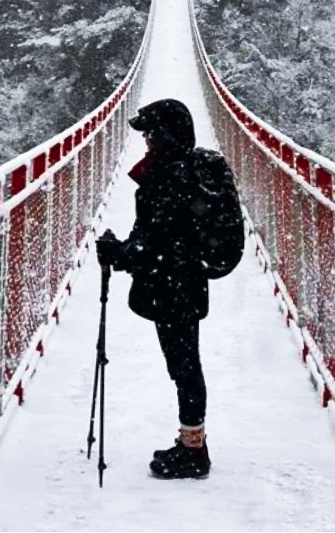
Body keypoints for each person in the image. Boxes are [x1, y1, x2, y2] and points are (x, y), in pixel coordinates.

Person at [96, 97, 234, 479]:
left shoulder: (170, 179)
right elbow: (158, 239)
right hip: (184, 284)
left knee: (184, 367)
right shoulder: (184, 172)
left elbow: (153, 246)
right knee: (185, 364)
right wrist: (128, 250)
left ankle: (194, 452)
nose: (146, 141)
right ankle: (193, 443)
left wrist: (116, 252)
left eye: (151, 134)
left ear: (166, 137)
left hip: (173, 288)